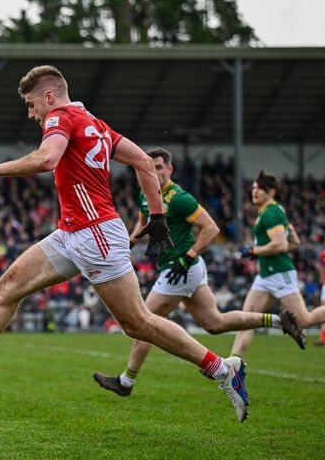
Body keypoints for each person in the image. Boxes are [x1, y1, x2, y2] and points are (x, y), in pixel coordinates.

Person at [0, 65, 250, 423]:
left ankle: (224, 369)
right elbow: (145, 162)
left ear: (49, 96)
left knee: (138, 323)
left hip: (96, 234)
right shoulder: (96, 124)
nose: (30, 113)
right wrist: (158, 218)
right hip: (73, 233)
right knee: (9, 285)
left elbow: (47, 159)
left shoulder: (60, 118)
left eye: (30, 103)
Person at [93, 148, 304, 397]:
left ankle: (126, 382)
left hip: (180, 269)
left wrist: (189, 257)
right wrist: (127, 244)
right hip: (182, 270)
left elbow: (211, 229)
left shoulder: (179, 197)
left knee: (142, 323)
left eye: (160, 167)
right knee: (215, 322)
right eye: (151, 166)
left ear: (170, 169)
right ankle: (279, 320)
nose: (155, 171)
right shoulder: (146, 193)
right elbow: (143, 223)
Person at [230, 170, 325, 357]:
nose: (255, 191)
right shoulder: (274, 212)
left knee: (305, 320)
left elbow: (281, 244)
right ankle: (231, 365)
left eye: (260, 188)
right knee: (246, 319)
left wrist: (254, 251)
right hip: (266, 274)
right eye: (253, 187)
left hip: (280, 273)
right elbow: (295, 242)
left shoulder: (271, 214)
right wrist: (260, 251)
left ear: (271, 192)